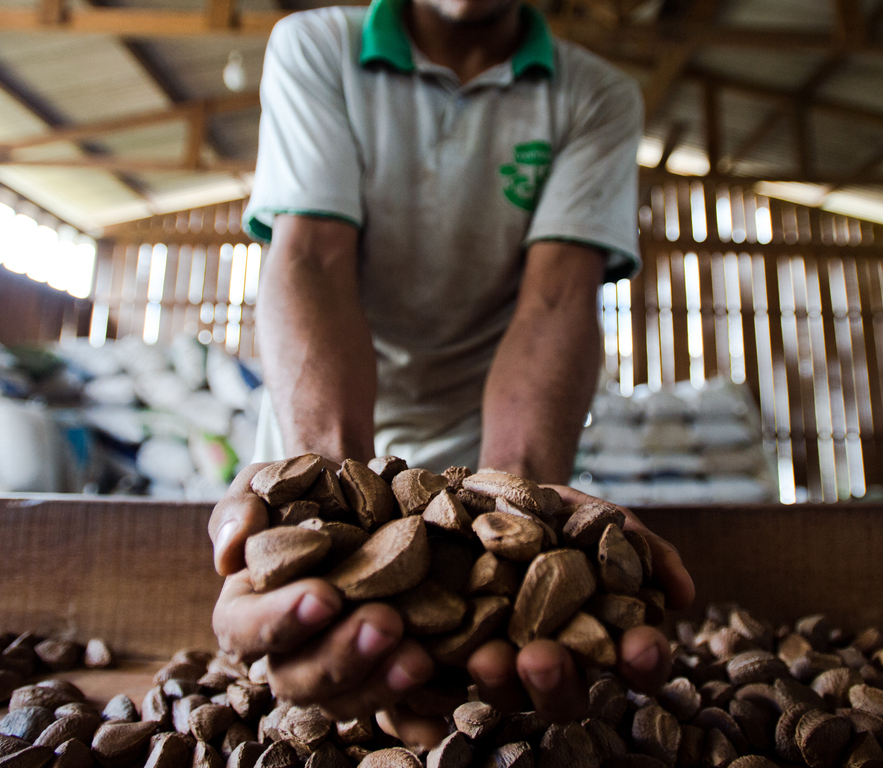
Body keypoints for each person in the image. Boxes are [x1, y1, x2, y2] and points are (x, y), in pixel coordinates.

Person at [209, 0, 695, 748]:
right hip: (325, 423)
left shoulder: (594, 94)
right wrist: (332, 504)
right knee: (318, 676)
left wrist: (518, 520)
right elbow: (312, 258)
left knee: (489, 696)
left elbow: (556, 300)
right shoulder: (319, 45)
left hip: (488, 440)